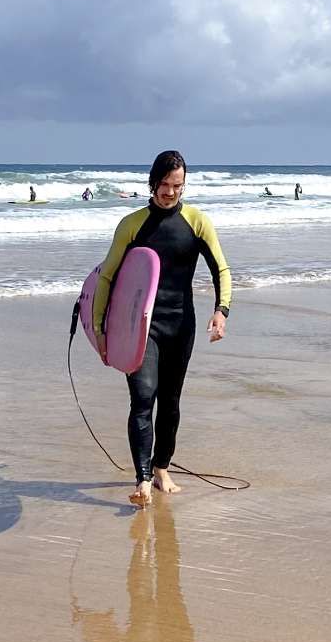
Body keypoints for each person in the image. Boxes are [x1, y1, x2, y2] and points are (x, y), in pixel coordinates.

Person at [90, 151, 232, 508]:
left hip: (180, 323)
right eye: (165, 184)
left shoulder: (197, 221)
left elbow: (222, 270)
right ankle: (141, 479)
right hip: (139, 327)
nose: (170, 192)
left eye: (178, 186)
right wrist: (100, 327)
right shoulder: (133, 224)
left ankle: (161, 469)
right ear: (153, 182)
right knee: (143, 397)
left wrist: (221, 311)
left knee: (170, 402)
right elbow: (107, 276)